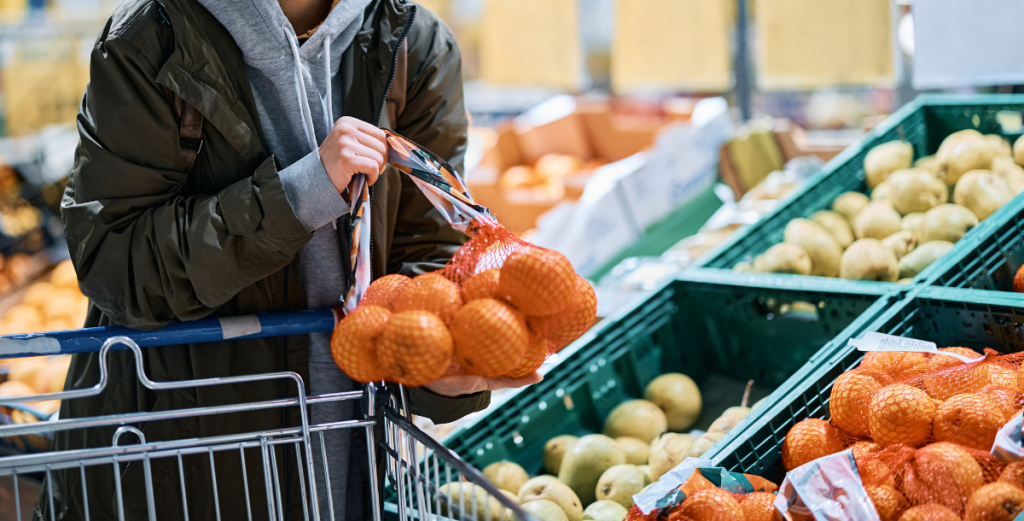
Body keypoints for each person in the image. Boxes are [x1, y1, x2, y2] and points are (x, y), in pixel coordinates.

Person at [41, 0, 539, 519]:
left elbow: (429, 257)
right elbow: (116, 264)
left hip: (348, 456)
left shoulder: (411, 41)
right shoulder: (150, 37)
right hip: (181, 469)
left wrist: (439, 368)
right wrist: (298, 196)